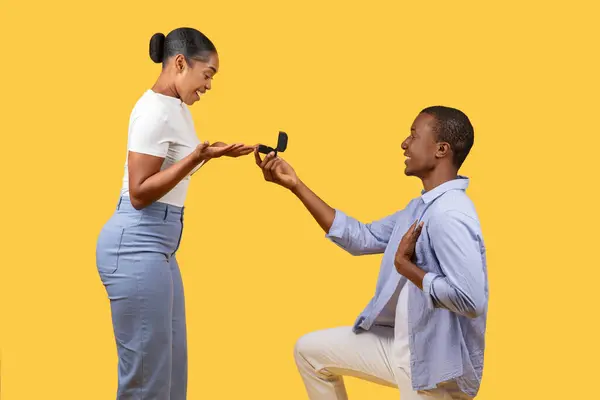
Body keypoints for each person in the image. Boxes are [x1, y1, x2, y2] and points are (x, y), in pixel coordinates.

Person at [254, 106, 488, 399]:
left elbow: (470, 299)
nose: (405, 143)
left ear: (441, 149)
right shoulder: (419, 208)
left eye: (414, 136)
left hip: (435, 369)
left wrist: (406, 267)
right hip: (404, 348)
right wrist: (296, 186)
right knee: (310, 353)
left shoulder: (450, 213)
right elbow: (361, 237)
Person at [95, 27, 254, 399]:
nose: (210, 85)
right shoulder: (154, 110)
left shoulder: (176, 108)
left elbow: (170, 167)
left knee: (171, 369)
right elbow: (139, 193)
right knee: (146, 381)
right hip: (136, 244)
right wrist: (196, 158)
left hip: (160, 248)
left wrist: (212, 154)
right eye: (208, 74)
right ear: (180, 63)